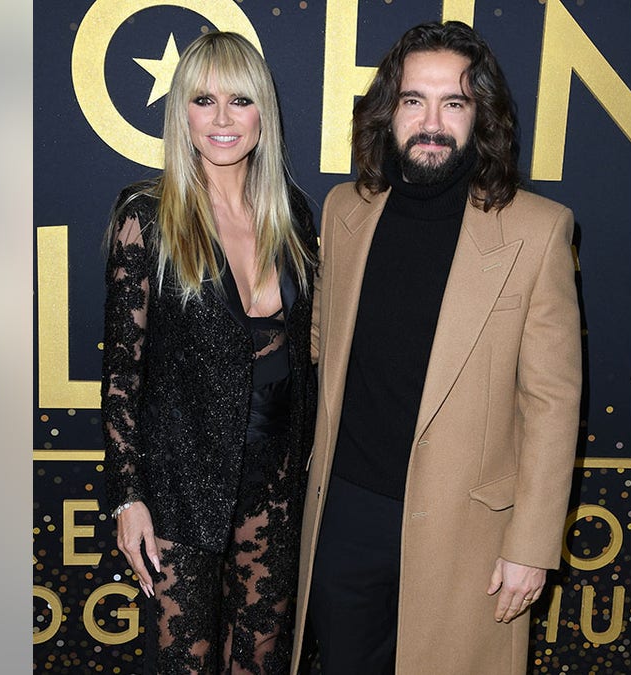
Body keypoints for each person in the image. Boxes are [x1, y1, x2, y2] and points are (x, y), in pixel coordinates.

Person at [292, 21, 582, 675]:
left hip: (466, 532)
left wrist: (531, 544)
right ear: (388, 111)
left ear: (481, 116)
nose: (432, 121)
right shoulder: (344, 211)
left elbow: (553, 404)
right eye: (413, 100)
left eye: (454, 102)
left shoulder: (538, 232)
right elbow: (319, 343)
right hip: (347, 511)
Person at [101, 31, 317, 674]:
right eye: (203, 100)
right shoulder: (149, 214)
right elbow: (120, 373)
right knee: (183, 663)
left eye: (240, 100)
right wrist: (127, 494)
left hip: (276, 483)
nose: (223, 119)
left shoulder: (294, 216)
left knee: (262, 660)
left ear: (264, 113)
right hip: (178, 481)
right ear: (181, 113)